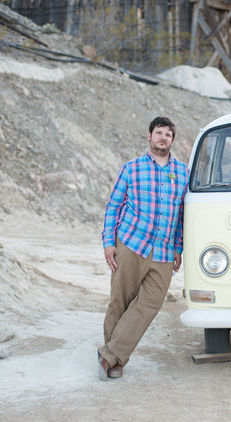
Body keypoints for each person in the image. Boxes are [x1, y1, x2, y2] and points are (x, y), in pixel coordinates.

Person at [97, 117, 188, 381]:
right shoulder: (131, 168)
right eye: (158, 133)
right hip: (131, 244)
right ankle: (115, 360)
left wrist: (178, 247)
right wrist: (108, 243)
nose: (163, 137)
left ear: (172, 140)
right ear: (148, 136)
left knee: (150, 304)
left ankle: (109, 353)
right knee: (120, 302)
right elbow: (113, 207)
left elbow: (181, 214)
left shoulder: (183, 173)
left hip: (163, 251)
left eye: (168, 134)